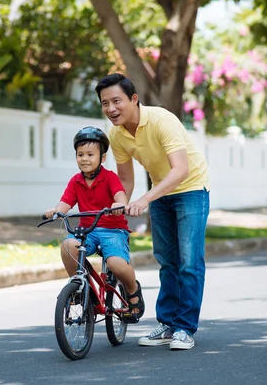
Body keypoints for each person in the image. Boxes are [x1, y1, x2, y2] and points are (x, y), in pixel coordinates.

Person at [95, 73, 210, 350]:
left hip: (191, 189)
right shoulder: (117, 134)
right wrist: (119, 202)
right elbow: (125, 179)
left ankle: (185, 328)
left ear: (134, 99)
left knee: (188, 261)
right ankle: (168, 324)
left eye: (116, 101)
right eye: (104, 103)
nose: (111, 109)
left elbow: (180, 170)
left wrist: (145, 199)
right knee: (167, 260)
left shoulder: (161, 119)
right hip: (161, 192)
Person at [44, 126, 145, 320]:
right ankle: (79, 289)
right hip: (87, 231)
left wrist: (119, 204)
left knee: (115, 264)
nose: (84, 158)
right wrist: (56, 212)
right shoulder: (75, 181)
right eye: (80, 154)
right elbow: (65, 203)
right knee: (67, 246)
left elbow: (120, 195)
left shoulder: (109, 177)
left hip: (113, 230)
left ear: (103, 158)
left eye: (90, 154)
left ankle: (133, 290)